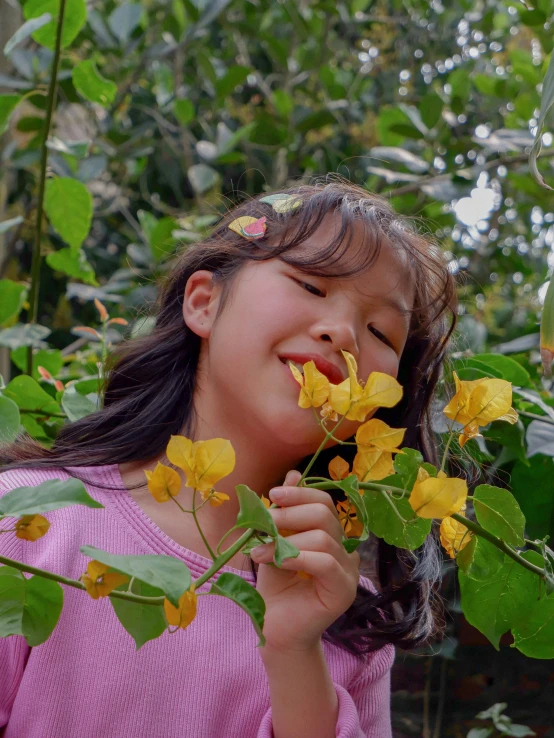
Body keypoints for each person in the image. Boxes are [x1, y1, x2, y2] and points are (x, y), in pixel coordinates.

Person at [0, 179, 457, 738]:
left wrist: (294, 651)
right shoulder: (27, 519)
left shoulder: (348, 620)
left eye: (380, 330)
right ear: (204, 302)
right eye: (312, 286)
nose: (342, 333)